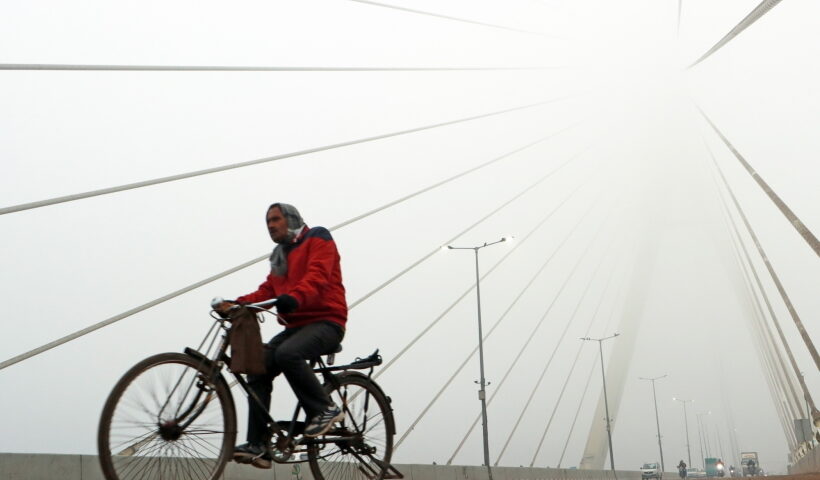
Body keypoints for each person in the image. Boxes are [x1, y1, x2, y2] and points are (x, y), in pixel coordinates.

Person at [215, 203, 347, 469]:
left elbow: (318, 276)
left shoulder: (318, 238)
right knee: (258, 367)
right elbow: (267, 291)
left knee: (288, 354)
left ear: (291, 218)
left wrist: (294, 298)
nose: (271, 226)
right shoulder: (280, 254)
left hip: (327, 322)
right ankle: (258, 446)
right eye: (267, 222)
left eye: (275, 219)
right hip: (296, 327)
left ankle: (325, 409)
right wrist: (237, 304)